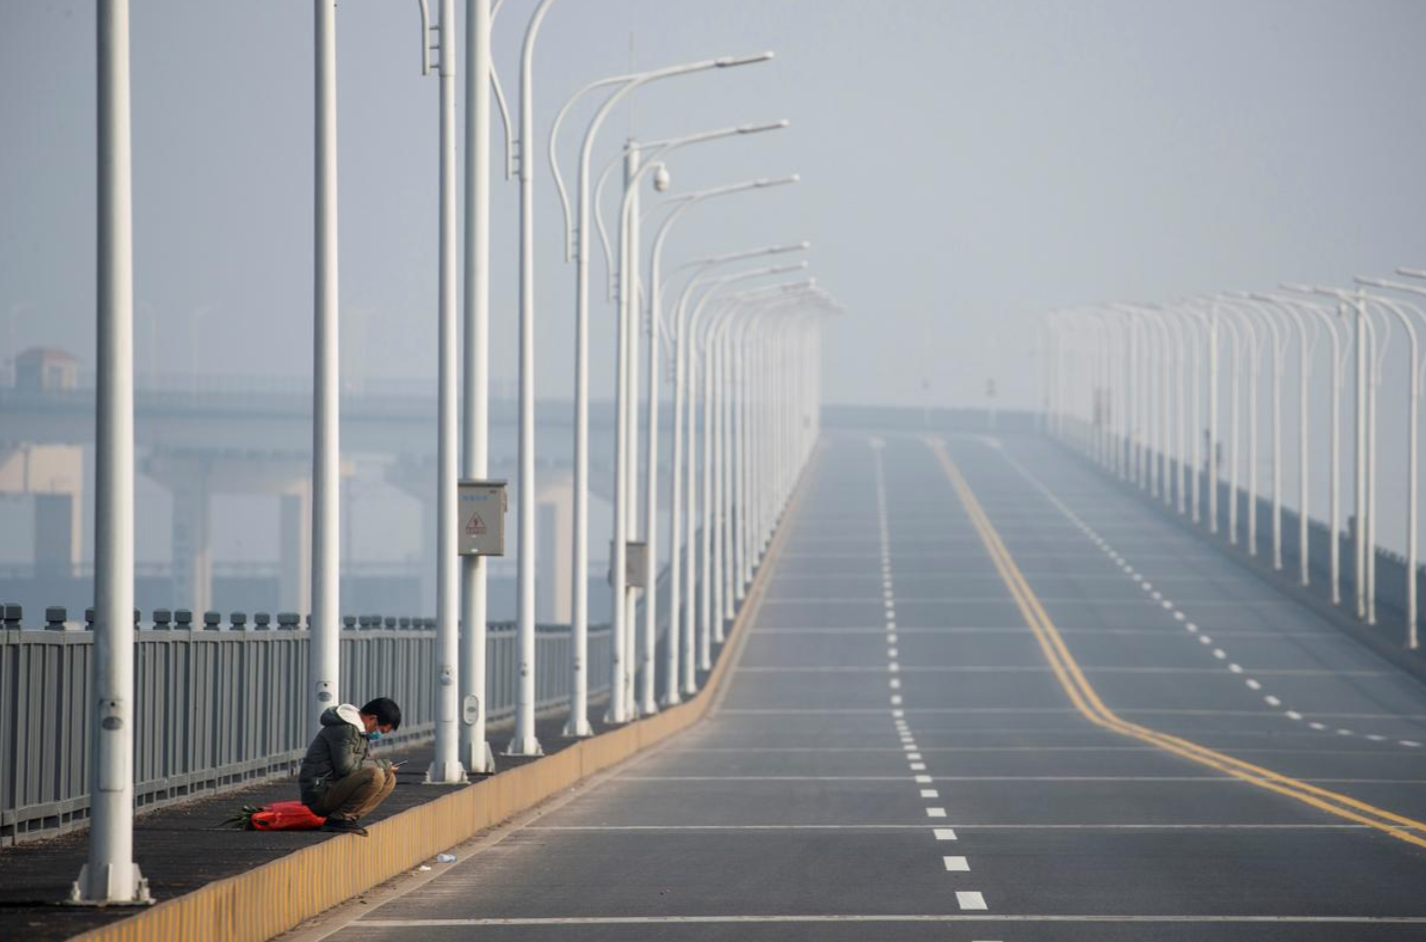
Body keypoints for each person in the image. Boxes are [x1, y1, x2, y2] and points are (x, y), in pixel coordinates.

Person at [299, 697, 403, 836]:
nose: (377, 734)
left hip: (334, 788)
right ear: (372, 718)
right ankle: (339, 819)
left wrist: (385, 768)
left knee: (388, 778)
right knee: (375, 775)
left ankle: (347, 817)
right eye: (380, 730)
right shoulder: (345, 730)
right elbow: (346, 767)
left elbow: (358, 765)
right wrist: (383, 764)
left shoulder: (359, 731)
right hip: (319, 794)